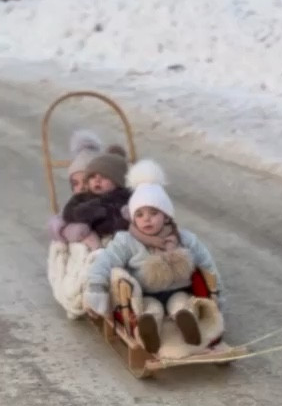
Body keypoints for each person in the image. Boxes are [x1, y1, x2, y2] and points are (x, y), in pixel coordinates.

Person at [83, 159, 223, 354]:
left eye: (153, 213)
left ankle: (187, 323)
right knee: (151, 310)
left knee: (182, 304)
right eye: (139, 214)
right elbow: (104, 262)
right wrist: (96, 286)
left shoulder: (183, 238)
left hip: (178, 290)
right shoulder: (126, 242)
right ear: (133, 218)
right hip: (147, 295)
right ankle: (150, 333)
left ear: (166, 216)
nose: (146, 219)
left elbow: (206, 262)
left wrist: (217, 292)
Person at [59, 144, 131, 243]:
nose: (97, 181)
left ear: (117, 181)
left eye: (104, 177)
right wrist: (91, 211)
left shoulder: (123, 200)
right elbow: (69, 213)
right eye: (92, 177)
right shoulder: (82, 198)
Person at [48, 129, 105, 247]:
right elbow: (56, 224)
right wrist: (76, 232)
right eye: (75, 183)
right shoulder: (74, 207)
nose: (81, 188)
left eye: (85, 181)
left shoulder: (110, 202)